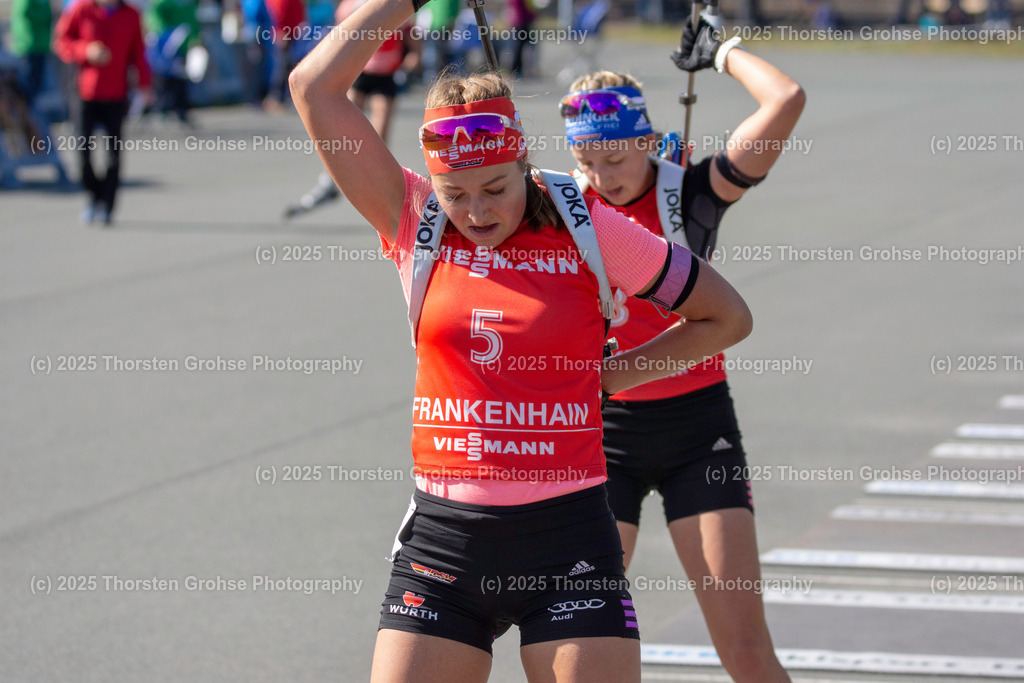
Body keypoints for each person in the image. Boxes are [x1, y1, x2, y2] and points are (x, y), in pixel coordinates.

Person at [288, 0, 754, 678]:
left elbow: (727, 316)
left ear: (523, 160)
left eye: (495, 188)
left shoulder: (585, 223)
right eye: (455, 192)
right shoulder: (412, 218)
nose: (476, 211)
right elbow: (313, 88)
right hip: (445, 547)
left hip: (569, 543)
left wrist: (614, 376)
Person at [560, 15, 804, 683]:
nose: (601, 178)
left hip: (700, 429)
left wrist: (722, 51)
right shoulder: (560, 211)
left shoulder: (691, 193)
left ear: (646, 140)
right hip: (601, 437)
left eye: (615, 158)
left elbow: (786, 100)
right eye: (585, 162)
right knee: (585, 650)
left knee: (747, 652)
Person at [284, 0, 421, 219]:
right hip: (360, 73)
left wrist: (412, 58)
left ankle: (380, 192)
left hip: (387, 73)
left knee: (379, 136)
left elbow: (411, 36)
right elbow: (337, 40)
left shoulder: (394, 4)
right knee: (335, 125)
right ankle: (329, 180)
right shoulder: (349, 6)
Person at [55, 0, 152, 225]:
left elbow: (138, 53)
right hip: (85, 93)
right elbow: (62, 41)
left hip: (116, 94)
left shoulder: (131, 15)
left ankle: (107, 206)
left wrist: (145, 85)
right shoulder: (81, 9)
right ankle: (94, 196)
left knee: (114, 155)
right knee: (82, 155)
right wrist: (85, 50)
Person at [145, 0, 199, 126]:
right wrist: (164, 34)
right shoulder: (162, 3)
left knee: (181, 78)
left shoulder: (189, 3)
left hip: (183, 45)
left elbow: (192, 21)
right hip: (165, 45)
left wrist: (194, 38)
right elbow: (154, 17)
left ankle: (181, 109)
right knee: (163, 78)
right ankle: (162, 109)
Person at [10, 0, 53, 107]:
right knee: (27, 84)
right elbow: (23, 14)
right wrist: (44, 17)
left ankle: (32, 110)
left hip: (42, 45)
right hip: (29, 45)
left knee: (37, 83)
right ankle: (26, 111)